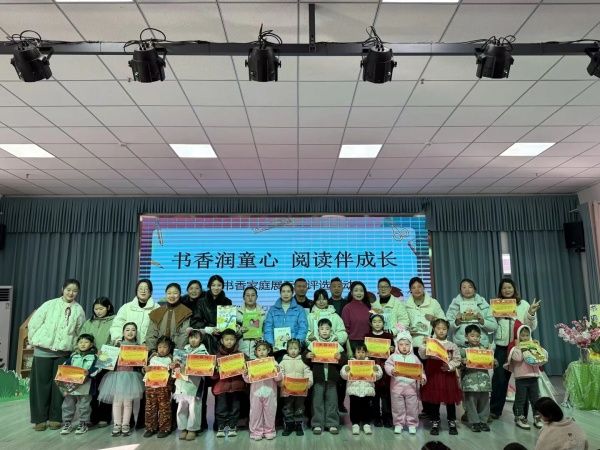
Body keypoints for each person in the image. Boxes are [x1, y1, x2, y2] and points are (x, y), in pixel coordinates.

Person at [28, 278, 86, 431]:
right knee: (40, 386)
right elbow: (34, 323)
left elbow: (80, 332)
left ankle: (56, 418)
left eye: (75, 291)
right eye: (68, 290)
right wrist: (33, 340)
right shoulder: (49, 304)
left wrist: (76, 348)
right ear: (62, 289)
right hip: (43, 351)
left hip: (64, 353)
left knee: (59, 387)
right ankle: (39, 419)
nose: (71, 293)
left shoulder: (79, 310)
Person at [490, 278, 541, 420]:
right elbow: (490, 327)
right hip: (502, 347)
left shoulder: (523, 304)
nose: (507, 290)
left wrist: (530, 313)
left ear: (514, 289)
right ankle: (494, 410)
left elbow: (531, 327)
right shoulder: (496, 305)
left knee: (523, 380)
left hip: (520, 347)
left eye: (509, 287)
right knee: (499, 380)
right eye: (504, 288)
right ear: (500, 290)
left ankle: (521, 413)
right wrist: (495, 317)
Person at [98, 322, 145, 437]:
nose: (130, 332)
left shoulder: (139, 347)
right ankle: (117, 424)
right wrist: (101, 356)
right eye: (127, 330)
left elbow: (141, 365)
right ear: (123, 332)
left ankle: (126, 425)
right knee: (117, 402)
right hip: (117, 376)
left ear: (136, 333)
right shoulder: (116, 345)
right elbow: (106, 360)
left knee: (128, 402)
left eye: (133, 330)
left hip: (131, 377)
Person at [419, 319, 462, 436]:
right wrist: (424, 344)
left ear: (448, 330)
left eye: (444, 329)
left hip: (447, 375)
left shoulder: (452, 345)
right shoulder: (430, 343)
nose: (441, 331)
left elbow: (457, 359)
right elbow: (423, 355)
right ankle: (435, 422)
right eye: (438, 328)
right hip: (433, 374)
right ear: (434, 329)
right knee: (434, 399)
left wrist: (450, 366)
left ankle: (452, 422)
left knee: (450, 400)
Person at [305, 318, 346, 435]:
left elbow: (345, 359)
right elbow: (305, 357)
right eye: (322, 328)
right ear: (318, 330)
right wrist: (307, 355)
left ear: (331, 330)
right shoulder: (313, 344)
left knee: (332, 402)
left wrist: (340, 357)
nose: (324, 331)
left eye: (327, 329)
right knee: (317, 402)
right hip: (318, 378)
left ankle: (332, 423)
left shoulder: (336, 344)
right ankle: (317, 424)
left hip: (332, 379)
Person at [504, 322, 548, 430]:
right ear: (518, 336)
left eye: (527, 335)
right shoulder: (515, 348)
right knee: (521, 399)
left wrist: (537, 347)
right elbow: (518, 358)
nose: (525, 338)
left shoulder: (534, 345)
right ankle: (519, 417)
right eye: (522, 335)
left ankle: (537, 417)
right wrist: (520, 347)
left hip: (533, 377)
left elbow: (543, 357)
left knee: (535, 399)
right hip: (521, 378)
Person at [81, 297, 115, 427]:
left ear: (108, 308)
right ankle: (92, 417)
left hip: (107, 358)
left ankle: (105, 417)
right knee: (92, 389)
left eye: (101, 308)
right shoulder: (88, 322)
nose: (98, 311)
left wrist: (106, 351)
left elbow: (115, 339)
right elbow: (81, 338)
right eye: (96, 309)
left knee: (106, 388)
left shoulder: (115, 320)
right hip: (90, 358)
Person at [385, 330, 426, 435]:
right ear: (397, 345)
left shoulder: (414, 358)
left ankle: (412, 424)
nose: (404, 347)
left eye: (407, 344)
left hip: (411, 388)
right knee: (397, 407)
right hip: (396, 388)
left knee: (412, 407)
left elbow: (420, 370)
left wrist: (422, 378)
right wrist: (391, 371)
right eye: (401, 344)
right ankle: (398, 424)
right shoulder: (393, 357)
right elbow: (387, 365)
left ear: (411, 345)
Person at [59, 333, 99, 435]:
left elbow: (97, 369)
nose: (83, 344)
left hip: (86, 386)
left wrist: (88, 373)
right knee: (67, 405)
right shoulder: (73, 356)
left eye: (86, 342)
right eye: (80, 342)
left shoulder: (94, 357)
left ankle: (83, 423)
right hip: (71, 387)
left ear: (91, 344)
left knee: (84, 406)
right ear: (77, 344)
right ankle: (67, 423)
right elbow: (65, 367)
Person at [173, 329, 209, 441]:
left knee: (194, 408)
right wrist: (175, 364)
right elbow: (176, 367)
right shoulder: (182, 351)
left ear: (200, 339)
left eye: (196, 338)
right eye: (191, 337)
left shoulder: (204, 352)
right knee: (181, 407)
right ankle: (182, 428)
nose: (193, 340)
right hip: (182, 383)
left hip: (195, 384)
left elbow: (207, 367)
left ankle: (192, 429)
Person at [242, 341, 283, 440]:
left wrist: (278, 371)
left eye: (264, 350)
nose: (261, 352)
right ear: (256, 352)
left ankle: (269, 431)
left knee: (270, 413)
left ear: (268, 350)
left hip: (270, 393)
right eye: (259, 350)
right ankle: (256, 432)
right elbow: (248, 380)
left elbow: (278, 379)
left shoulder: (273, 362)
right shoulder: (252, 364)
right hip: (256, 393)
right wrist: (245, 373)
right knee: (255, 413)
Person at [340, 342, 382, 435]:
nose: (361, 354)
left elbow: (378, 376)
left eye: (363, 352)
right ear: (354, 353)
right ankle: (355, 424)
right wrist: (346, 370)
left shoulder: (371, 364)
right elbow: (343, 375)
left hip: (367, 390)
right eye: (358, 352)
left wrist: (376, 370)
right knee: (354, 408)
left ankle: (366, 424)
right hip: (354, 391)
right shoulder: (350, 364)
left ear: (366, 353)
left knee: (367, 408)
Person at [212, 328, 247, 437]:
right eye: (226, 339)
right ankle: (221, 427)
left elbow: (250, 368)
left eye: (231, 339)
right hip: (221, 388)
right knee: (221, 409)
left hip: (236, 387)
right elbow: (212, 376)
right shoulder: (216, 356)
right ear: (222, 341)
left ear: (235, 340)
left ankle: (233, 426)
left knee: (235, 408)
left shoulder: (241, 355)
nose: (229, 342)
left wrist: (246, 368)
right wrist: (216, 371)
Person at [459, 324, 494, 432]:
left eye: (478, 336)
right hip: (470, 382)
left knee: (484, 402)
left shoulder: (485, 349)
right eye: (472, 336)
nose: (475, 338)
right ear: (466, 336)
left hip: (484, 381)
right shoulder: (463, 350)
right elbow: (458, 364)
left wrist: (493, 361)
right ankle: (475, 422)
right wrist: (463, 362)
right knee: (471, 402)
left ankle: (483, 421)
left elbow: (493, 362)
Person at [446, 278, 497, 348]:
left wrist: (483, 322)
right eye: (464, 287)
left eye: (470, 287)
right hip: (461, 346)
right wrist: (456, 322)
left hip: (481, 346)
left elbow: (494, 327)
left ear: (474, 289)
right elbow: (446, 327)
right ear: (460, 290)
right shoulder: (455, 305)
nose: (467, 290)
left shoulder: (483, 304)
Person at [264, 282, 309, 359]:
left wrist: (296, 344)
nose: (286, 294)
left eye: (288, 291)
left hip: (294, 350)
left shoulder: (299, 309)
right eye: (283, 291)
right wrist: (272, 344)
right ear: (280, 293)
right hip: (276, 350)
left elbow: (303, 328)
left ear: (292, 293)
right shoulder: (272, 310)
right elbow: (267, 329)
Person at [279, 338, 313, 436]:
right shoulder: (283, 362)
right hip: (287, 391)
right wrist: (281, 382)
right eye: (291, 349)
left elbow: (308, 372)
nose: (293, 351)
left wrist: (309, 382)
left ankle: (299, 424)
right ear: (287, 350)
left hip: (300, 391)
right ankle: (289, 425)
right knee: (287, 407)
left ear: (299, 349)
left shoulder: (303, 361)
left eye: (295, 348)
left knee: (300, 407)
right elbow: (280, 373)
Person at [191, 275, 233, 354]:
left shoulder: (227, 302)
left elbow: (229, 322)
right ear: (209, 286)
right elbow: (195, 322)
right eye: (213, 285)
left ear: (222, 287)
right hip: (206, 337)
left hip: (222, 337)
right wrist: (210, 329)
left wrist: (222, 329)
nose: (216, 288)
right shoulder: (201, 302)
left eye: (219, 285)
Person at [366, 313, 395, 428]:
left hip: (385, 367)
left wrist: (392, 349)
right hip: (372, 367)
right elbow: (364, 352)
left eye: (379, 322)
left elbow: (393, 351)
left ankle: (387, 417)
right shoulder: (367, 336)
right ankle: (376, 417)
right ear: (370, 324)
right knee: (374, 393)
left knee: (386, 394)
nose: (377, 324)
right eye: (374, 322)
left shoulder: (388, 336)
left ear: (383, 323)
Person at [145, 283, 192, 352]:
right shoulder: (156, 312)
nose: (172, 296)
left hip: (177, 353)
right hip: (158, 353)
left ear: (180, 294)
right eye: (169, 293)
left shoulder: (185, 312)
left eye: (175, 293)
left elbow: (184, 335)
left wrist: (177, 353)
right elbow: (151, 334)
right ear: (165, 294)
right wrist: (153, 351)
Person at [143, 335, 174, 438]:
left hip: (164, 388)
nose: (162, 349)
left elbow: (174, 374)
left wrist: (172, 368)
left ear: (169, 348)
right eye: (160, 347)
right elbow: (145, 369)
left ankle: (164, 428)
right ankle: (150, 428)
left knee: (164, 408)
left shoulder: (171, 359)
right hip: (150, 387)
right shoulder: (152, 357)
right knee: (150, 407)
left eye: (165, 347)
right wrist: (145, 369)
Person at [110, 279, 159, 344]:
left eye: (146, 289)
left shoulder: (156, 308)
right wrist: (118, 339)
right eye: (140, 288)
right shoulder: (126, 307)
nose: (143, 291)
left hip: (147, 347)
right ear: (136, 291)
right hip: (127, 345)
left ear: (150, 292)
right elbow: (117, 325)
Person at [405, 277, 446, 351]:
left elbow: (444, 322)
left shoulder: (433, 303)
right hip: (411, 345)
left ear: (423, 287)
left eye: (419, 286)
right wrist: (407, 331)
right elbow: (402, 324)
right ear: (410, 290)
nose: (417, 289)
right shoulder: (405, 305)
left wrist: (434, 319)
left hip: (431, 343)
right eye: (413, 287)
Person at [342, 281, 372, 357]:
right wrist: (348, 349)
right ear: (351, 293)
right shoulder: (347, 308)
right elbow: (345, 331)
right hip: (352, 344)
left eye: (361, 291)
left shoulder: (368, 307)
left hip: (367, 343)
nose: (359, 293)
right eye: (356, 290)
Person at [236, 286, 267, 360]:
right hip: (241, 352)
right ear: (243, 297)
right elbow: (230, 334)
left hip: (257, 354)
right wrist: (240, 331)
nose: (250, 298)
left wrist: (261, 339)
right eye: (247, 295)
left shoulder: (263, 314)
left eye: (253, 295)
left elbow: (266, 332)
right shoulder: (236, 313)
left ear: (257, 297)